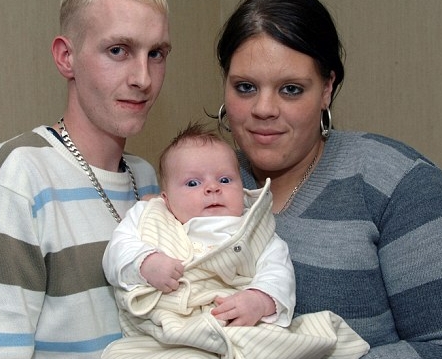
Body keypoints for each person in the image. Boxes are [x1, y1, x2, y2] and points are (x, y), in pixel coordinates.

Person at [213, 0, 442, 359]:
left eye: (290, 89)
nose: (263, 108)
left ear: (327, 89)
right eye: (245, 87)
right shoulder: (202, 182)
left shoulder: (399, 183)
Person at [0, 0, 171, 359]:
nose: (143, 78)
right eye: (118, 50)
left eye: (156, 53)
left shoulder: (147, 180)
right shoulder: (9, 182)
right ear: (66, 57)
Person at [101, 123, 369, 359]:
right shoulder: (151, 216)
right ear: (166, 199)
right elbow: (118, 249)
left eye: (225, 179)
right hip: (173, 330)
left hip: (237, 323)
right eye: (193, 183)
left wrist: (260, 299)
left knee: (295, 342)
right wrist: (146, 263)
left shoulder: (254, 228)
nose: (212, 188)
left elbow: (277, 270)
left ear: (242, 189)